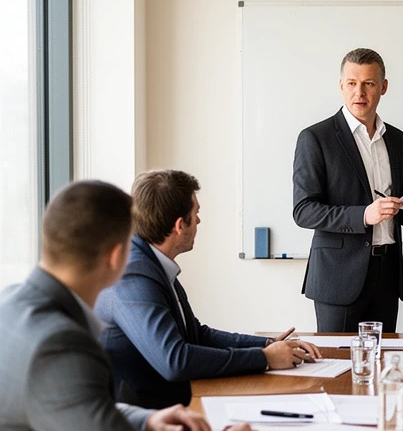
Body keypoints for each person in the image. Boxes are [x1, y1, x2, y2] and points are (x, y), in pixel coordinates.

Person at [0, 181, 264, 431]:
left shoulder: (12, 306)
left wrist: (146, 421)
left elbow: (63, 406)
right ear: (115, 257)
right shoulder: (60, 345)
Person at [96, 170, 321, 409]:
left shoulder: (151, 262)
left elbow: (196, 334)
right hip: (147, 420)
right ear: (180, 225)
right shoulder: (132, 274)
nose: (200, 221)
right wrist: (264, 359)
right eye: (197, 213)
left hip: (172, 403)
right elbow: (175, 360)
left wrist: (266, 344)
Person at [293, 48, 403, 332]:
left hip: (387, 276)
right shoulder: (315, 138)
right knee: (337, 369)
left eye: (368, 83)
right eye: (352, 83)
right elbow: (303, 210)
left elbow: (399, 200)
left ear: (383, 87)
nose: (360, 92)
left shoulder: (396, 138)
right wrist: (363, 216)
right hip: (338, 278)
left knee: (381, 368)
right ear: (341, 86)